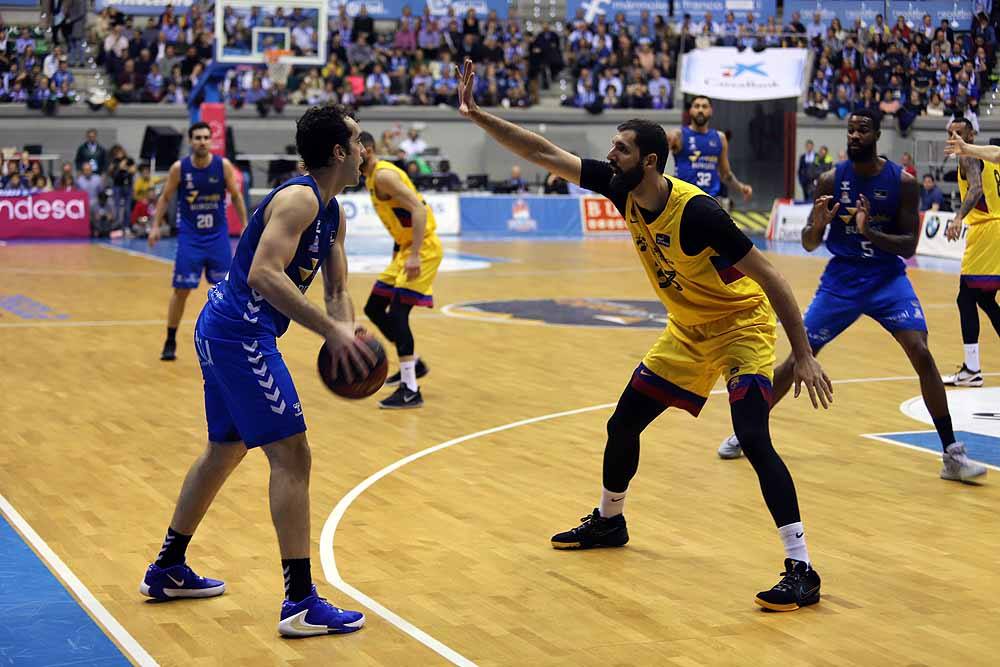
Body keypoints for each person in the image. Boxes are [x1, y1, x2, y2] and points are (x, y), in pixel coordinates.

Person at [456, 58, 832, 611]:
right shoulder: (619, 188)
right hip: (687, 331)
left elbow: (772, 276)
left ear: (649, 161)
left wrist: (801, 355)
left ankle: (802, 567)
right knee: (623, 422)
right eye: (612, 149)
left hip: (740, 328)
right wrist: (478, 115)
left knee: (752, 436)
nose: (611, 157)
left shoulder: (699, 214)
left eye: (621, 149)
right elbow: (543, 153)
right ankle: (610, 522)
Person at [140, 104, 373, 637]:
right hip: (238, 331)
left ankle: (169, 567)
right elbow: (266, 275)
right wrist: (329, 333)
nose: (365, 150)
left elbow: (337, 290)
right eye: (358, 141)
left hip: (224, 328)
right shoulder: (299, 199)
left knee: (224, 449)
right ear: (339, 151)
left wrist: (349, 333)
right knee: (292, 453)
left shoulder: (332, 212)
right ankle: (299, 602)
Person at [717, 110, 987, 483]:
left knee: (921, 352)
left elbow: (909, 244)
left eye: (863, 129)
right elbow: (810, 245)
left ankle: (951, 454)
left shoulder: (903, 182)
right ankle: (748, 432)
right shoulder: (830, 179)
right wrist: (817, 225)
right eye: (851, 130)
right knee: (800, 355)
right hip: (841, 281)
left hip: (886, 279)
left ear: (877, 133)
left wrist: (869, 233)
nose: (855, 135)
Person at [148, 122, 248, 361]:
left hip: (217, 238)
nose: (202, 141)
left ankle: (232, 341)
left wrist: (245, 225)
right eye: (198, 137)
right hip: (190, 238)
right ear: (191, 141)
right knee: (181, 291)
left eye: (206, 137)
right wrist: (154, 226)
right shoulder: (179, 168)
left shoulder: (222, 166)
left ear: (210, 141)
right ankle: (170, 339)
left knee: (228, 292)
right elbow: (165, 198)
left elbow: (236, 195)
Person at [359, 130, 443, 408]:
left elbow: (418, 210)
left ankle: (410, 388)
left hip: (424, 249)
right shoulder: (371, 178)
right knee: (374, 307)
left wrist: (415, 254)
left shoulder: (383, 175)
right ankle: (414, 364)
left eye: (352, 149)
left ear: (368, 150)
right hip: (405, 249)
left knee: (397, 313)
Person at [939, 121, 1000, 387]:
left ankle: (971, 370)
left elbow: (975, 189)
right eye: (949, 133)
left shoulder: (969, 158)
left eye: (959, 133)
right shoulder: (991, 155)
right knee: (985, 301)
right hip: (995, 229)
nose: (953, 138)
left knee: (966, 297)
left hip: (987, 230)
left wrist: (957, 218)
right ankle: (971, 368)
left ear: (971, 135)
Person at [668, 95, 752, 205]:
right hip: (684, 200)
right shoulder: (678, 135)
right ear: (690, 110)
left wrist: (741, 187)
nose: (700, 110)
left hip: (710, 201)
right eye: (697, 106)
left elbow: (725, 174)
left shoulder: (720, 138)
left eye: (704, 106)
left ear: (711, 111)